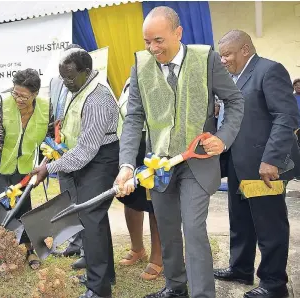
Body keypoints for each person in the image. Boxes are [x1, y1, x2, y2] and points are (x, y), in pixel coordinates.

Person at [115, 7, 244, 298]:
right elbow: (134, 117)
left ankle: (202, 294)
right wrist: (126, 165)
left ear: (178, 33)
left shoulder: (206, 59)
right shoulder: (141, 65)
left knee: (194, 228)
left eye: (158, 40)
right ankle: (175, 287)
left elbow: (235, 101)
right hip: (159, 166)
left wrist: (223, 138)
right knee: (168, 227)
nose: (152, 48)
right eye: (147, 41)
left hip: (197, 164)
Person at [213, 30, 298, 298]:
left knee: (269, 224)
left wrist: (272, 159)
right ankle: (240, 268)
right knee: (240, 220)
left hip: (264, 167)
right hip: (239, 163)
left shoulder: (269, 71)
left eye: (227, 54)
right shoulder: (234, 78)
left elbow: (286, 116)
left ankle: (274, 283)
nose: (223, 60)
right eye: (221, 55)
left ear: (245, 50)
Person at [31, 46, 119, 298]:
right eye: (63, 77)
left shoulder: (98, 98)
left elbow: (86, 150)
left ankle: (99, 289)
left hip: (99, 159)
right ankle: (102, 275)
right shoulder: (79, 89)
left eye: (70, 77)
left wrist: (50, 168)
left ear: (87, 72)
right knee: (91, 220)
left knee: (92, 219)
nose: (66, 82)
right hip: (85, 158)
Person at [0, 68, 53, 274]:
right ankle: (1, 254)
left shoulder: (46, 108)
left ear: (35, 94)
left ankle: (30, 250)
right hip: (2, 168)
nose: (18, 99)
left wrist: (43, 168)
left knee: (25, 211)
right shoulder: (4, 105)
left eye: (24, 96)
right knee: (2, 212)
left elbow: (52, 141)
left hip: (27, 170)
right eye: (15, 93)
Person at [116, 78, 163, 280]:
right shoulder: (129, 81)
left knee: (156, 204)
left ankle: (158, 257)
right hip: (130, 147)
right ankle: (138, 248)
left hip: (154, 147)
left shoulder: (161, 79)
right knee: (130, 199)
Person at [48, 43, 85, 266]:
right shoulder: (54, 82)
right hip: (60, 149)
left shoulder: (88, 83)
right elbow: (53, 111)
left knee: (84, 200)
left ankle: (86, 251)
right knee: (68, 198)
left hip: (81, 150)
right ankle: (74, 242)